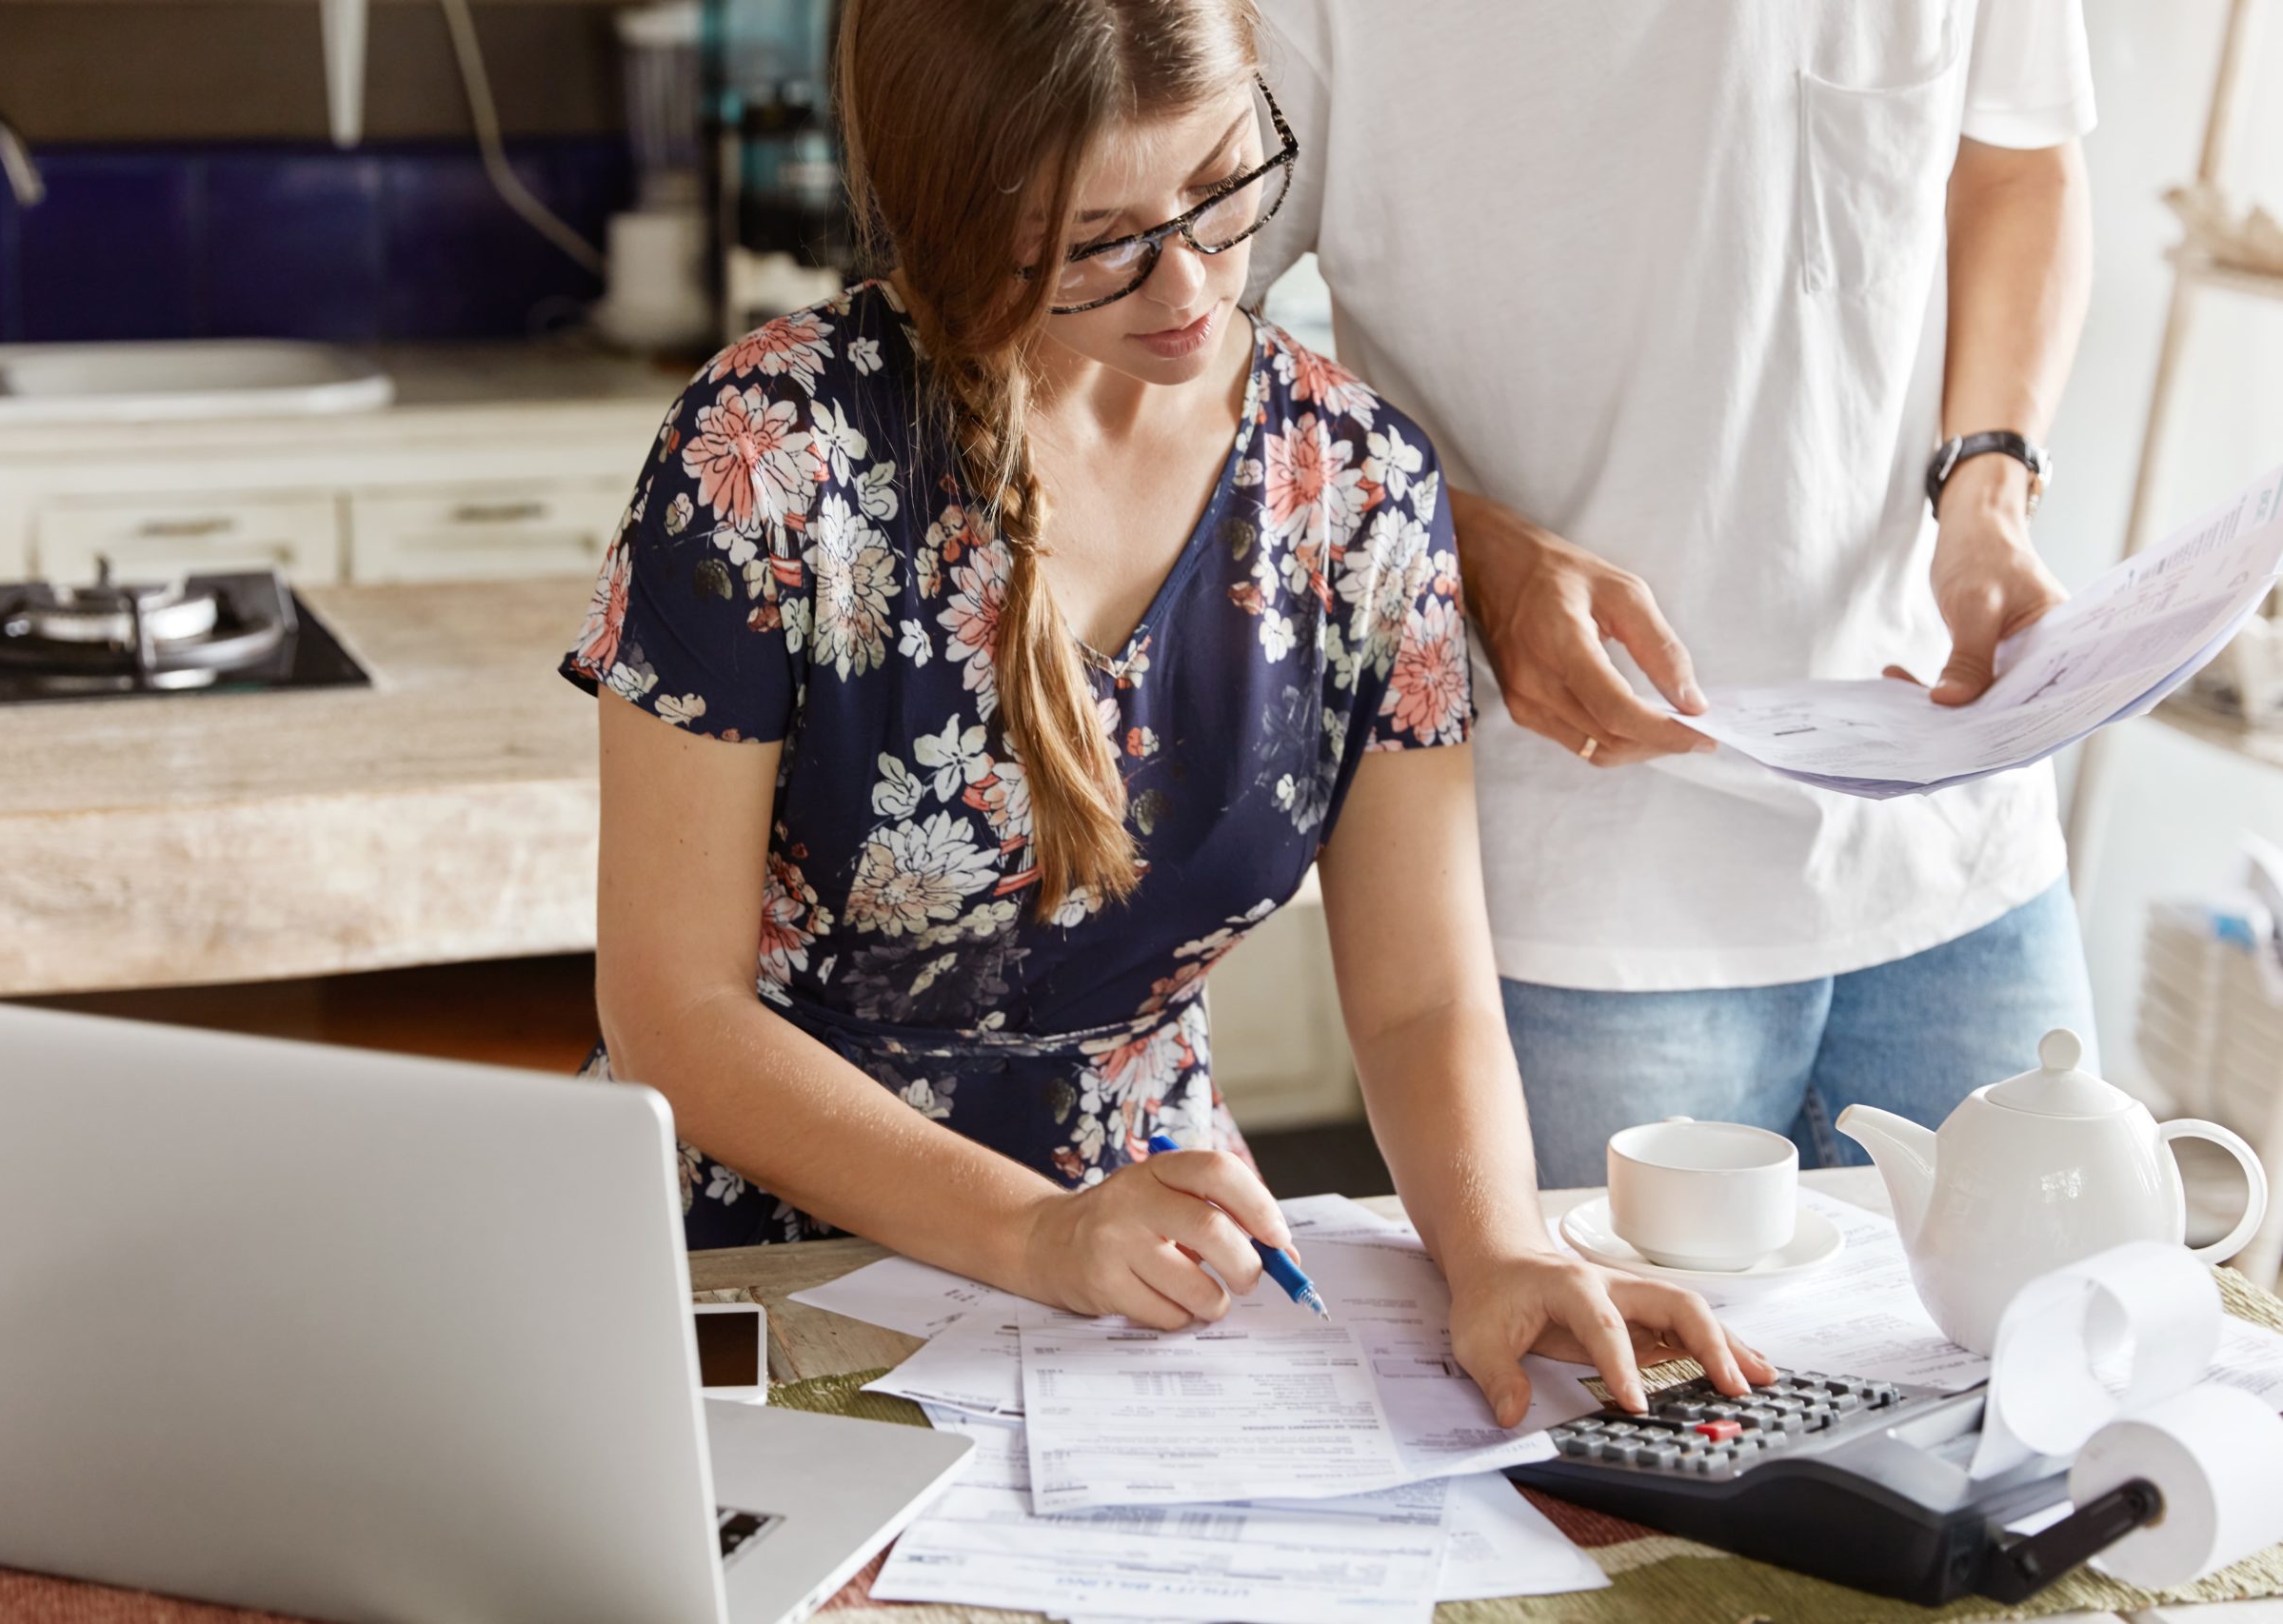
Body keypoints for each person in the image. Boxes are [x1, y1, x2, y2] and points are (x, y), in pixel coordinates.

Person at [565, 0, 1774, 1422]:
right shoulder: (768, 453)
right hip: (758, 1264)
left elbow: (1421, 993)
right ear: (961, 213)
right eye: (1103, 241)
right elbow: (670, 1010)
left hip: (1160, 1264)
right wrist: (1035, 1232)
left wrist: (1497, 1245)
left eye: (1220, 189)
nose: (1192, 284)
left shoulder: (1361, 485)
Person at [1244, 2, 2101, 1186]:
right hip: (1575, 879)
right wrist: (1467, 550)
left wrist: (1988, 481)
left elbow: (2017, 167)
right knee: (1614, 1375)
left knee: (2049, 1345)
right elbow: (1169, 314)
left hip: (1956, 837)